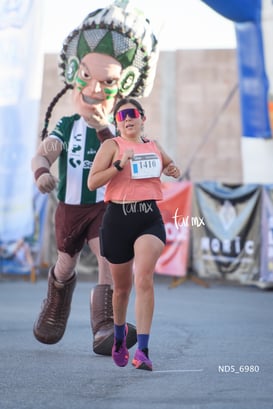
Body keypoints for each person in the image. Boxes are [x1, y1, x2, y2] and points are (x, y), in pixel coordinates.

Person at [31, 1, 159, 355]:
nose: (93, 90)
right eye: (86, 76)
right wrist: (42, 172)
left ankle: (104, 328)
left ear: (123, 86)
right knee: (65, 262)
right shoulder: (66, 126)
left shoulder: (120, 132)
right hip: (70, 208)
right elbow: (44, 152)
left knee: (108, 259)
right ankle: (56, 302)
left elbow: (130, 159)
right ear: (74, 73)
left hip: (104, 208)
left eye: (107, 81)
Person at [87, 98, 181, 370]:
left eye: (132, 113)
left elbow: (171, 166)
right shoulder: (111, 146)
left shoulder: (153, 146)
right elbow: (93, 181)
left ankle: (143, 350)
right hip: (118, 219)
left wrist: (173, 169)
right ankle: (119, 337)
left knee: (144, 279)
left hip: (148, 218)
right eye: (121, 115)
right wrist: (118, 165)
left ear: (142, 118)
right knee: (122, 290)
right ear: (117, 122)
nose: (126, 118)